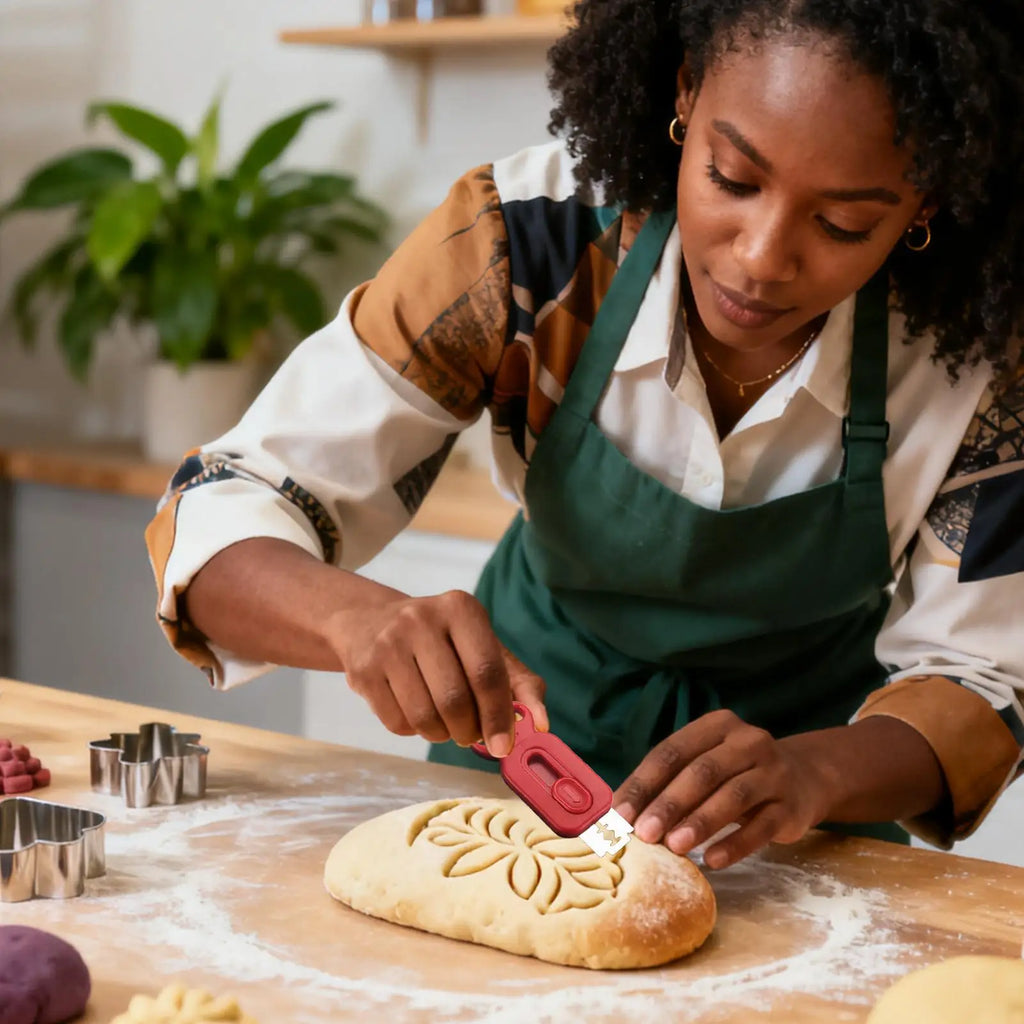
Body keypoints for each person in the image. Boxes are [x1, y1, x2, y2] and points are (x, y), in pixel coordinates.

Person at [146, 0, 1024, 872]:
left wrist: (808, 773)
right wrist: (355, 619)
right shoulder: (528, 242)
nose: (761, 257)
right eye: (731, 178)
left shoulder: (978, 356)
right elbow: (221, 505)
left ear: (929, 195)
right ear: (683, 93)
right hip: (518, 763)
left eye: (842, 224)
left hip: (802, 824)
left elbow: (981, 682)